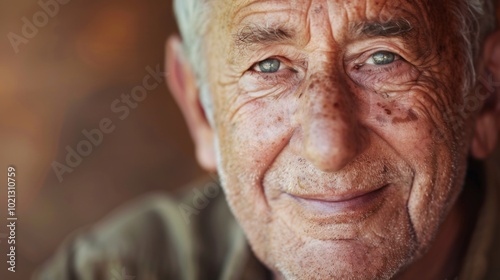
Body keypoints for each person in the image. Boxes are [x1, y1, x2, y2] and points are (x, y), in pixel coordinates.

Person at [35, 0, 500, 279]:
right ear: (200, 108)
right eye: (270, 66)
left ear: (485, 93)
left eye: (382, 58)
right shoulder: (114, 270)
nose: (330, 147)